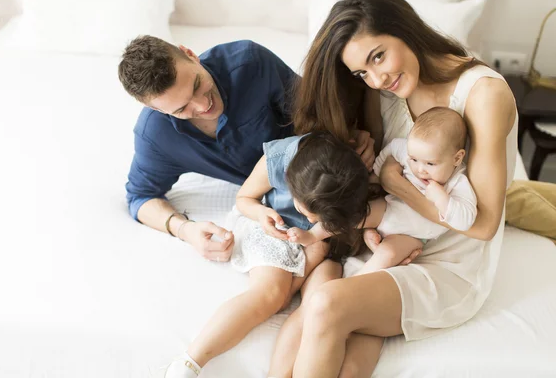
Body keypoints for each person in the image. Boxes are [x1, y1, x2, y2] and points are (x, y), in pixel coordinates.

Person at [269, 0, 519, 378]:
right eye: (361, 72)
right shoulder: (384, 91)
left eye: (378, 56)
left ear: (404, 28)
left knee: (326, 305)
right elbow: (382, 173)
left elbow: (484, 226)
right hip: (389, 239)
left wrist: (395, 182)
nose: (376, 77)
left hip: (450, 262)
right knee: (324, 307)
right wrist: (363, 156)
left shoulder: (482, 94)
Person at [117, 36, 376, 262]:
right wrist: (185, 230)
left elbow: (315, 116)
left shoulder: (250, 62)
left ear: (190, 54)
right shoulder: (155, 135)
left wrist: (350, 136)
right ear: (157, 110)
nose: (202, 105)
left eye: (197, 85)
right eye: (181, 109)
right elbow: (140, 198)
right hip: (268, 208)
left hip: (318, 179)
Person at [160, 132, 371, 377]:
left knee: (319, 305)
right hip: (271, 224)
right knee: (270, 295)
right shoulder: (280, 159)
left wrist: (319, 236)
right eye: (309, 212)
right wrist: (262, 214)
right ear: (292, 184)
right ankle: (189, 362)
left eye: (321, 218)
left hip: (322, 245)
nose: (313, 220)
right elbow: (244, 199)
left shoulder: (345, 179)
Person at [290, 107, 477, 276]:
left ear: (457, 158)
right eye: (413, 160)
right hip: (390, 207)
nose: (420, 169)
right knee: (354, 216)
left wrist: (442, 198)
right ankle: (313, 235)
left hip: (413, 234)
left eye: (430, 163)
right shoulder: (413, 151)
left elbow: (466, 220)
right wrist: (376, 175)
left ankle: (358, 279)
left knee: (389, 254)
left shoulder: (458, 182)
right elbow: (394, 147)